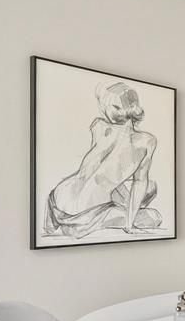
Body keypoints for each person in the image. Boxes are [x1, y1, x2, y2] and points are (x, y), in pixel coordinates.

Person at [44, 80, 162, 239]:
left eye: (108, 105)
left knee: (114, 191)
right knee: (155, 217)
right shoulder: (147, 142)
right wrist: (129, 225)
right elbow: (139, 182)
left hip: (56, 200)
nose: (104, 109)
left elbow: (101, 172)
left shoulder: (98, 126)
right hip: (84, 216)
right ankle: (133, 208)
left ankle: (55, 227)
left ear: (124, 108)